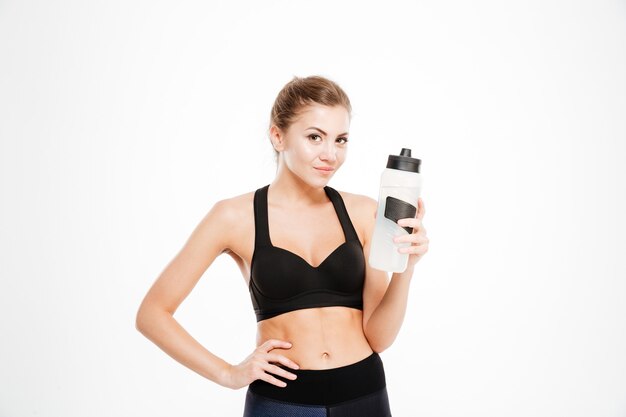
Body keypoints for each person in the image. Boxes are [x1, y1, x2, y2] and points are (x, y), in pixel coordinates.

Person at [135, 75, 429, 416]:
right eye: (315, 137)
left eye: (341, 140)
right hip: (283, 402)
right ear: (278, 136)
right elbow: (152, 314)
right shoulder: (233, 217)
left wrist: (406, 269)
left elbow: (379, 337)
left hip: (363, 394)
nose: (330, 154)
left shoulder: (363, 212)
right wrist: (227, 373)